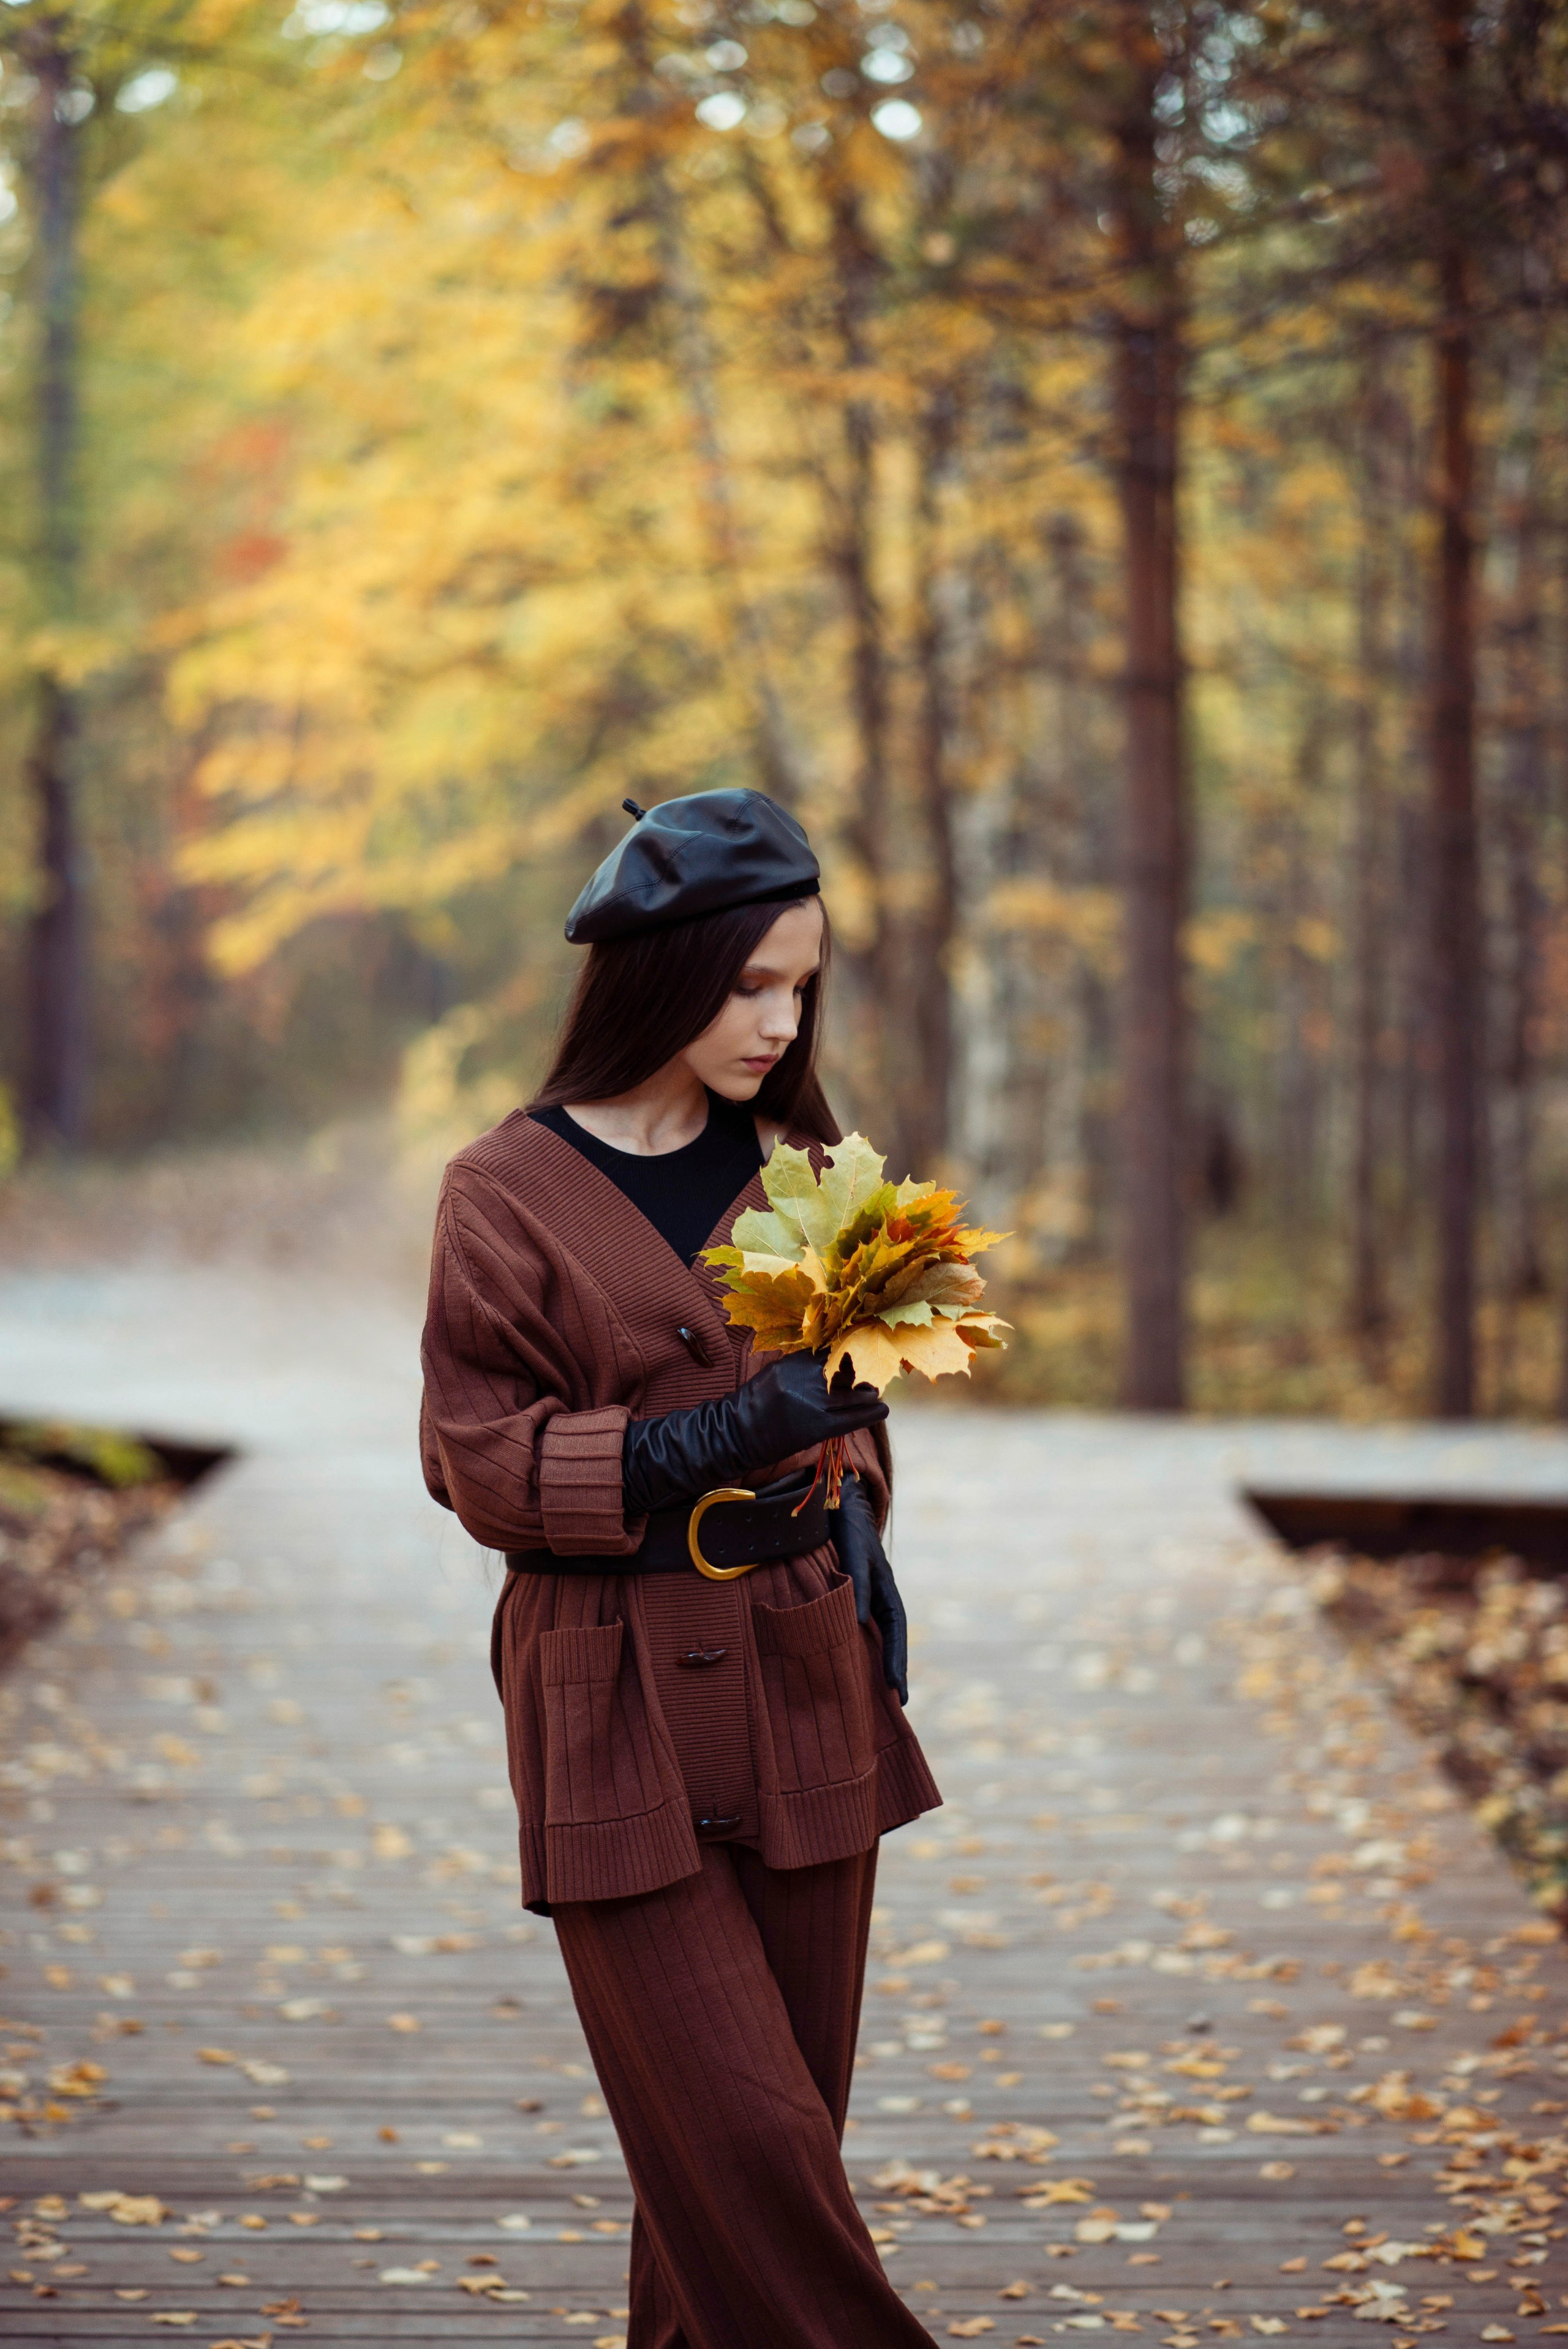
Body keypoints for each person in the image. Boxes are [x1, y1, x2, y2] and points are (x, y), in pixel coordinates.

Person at [420, 788, 941, 2349]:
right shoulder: (502, 1190)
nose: (781, 1021)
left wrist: (862, 1540)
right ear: (658, 973)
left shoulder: (809, 1157)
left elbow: (855, 1405)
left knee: (731, 2194)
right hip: (609, 1692)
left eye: (803, 985)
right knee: (756, 2157)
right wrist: (706, 1438)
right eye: (750, 985)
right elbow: (478, 1461)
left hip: (805, 1670)